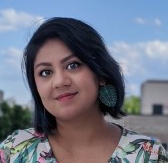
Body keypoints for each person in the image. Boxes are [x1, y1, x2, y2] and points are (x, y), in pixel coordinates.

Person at [0, 17, 168, 163]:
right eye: (46, 72)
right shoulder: (14, 150)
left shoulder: (148, 154)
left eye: (73, 65)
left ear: (100, 74)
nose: (59, 82)